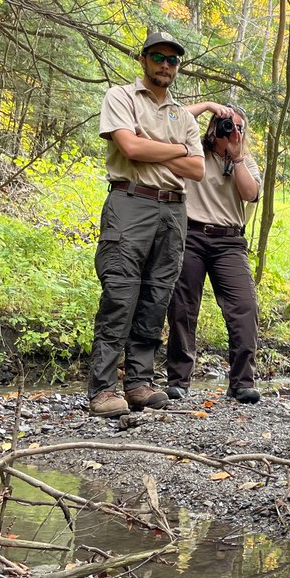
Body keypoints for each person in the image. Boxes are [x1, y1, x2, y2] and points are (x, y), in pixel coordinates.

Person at [87, 30, 206, 417]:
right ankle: (103, 389)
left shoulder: (182, 114)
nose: (166, 65)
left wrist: (151, 147)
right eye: (159, 57)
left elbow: (198, 168)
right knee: (120, 294)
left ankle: (139, 382)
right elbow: (131, 148)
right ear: (143, 59)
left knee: (157, 298)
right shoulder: (120, 96)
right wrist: (175, 150)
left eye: (173, 60)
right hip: (129, 202)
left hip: (173, 212)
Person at [164, 102, 262, 404]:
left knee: (245, 308)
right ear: (212, 126)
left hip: (230, 242)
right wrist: (208, 106)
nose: (231, 130)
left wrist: (237, 157)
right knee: (182, 308)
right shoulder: (194, 151)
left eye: (238, 127)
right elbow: (173, 121)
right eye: (226, 124)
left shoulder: (246, 161)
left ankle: (242, 382)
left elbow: (251, 194)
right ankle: (178, 380)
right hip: (191, 234)